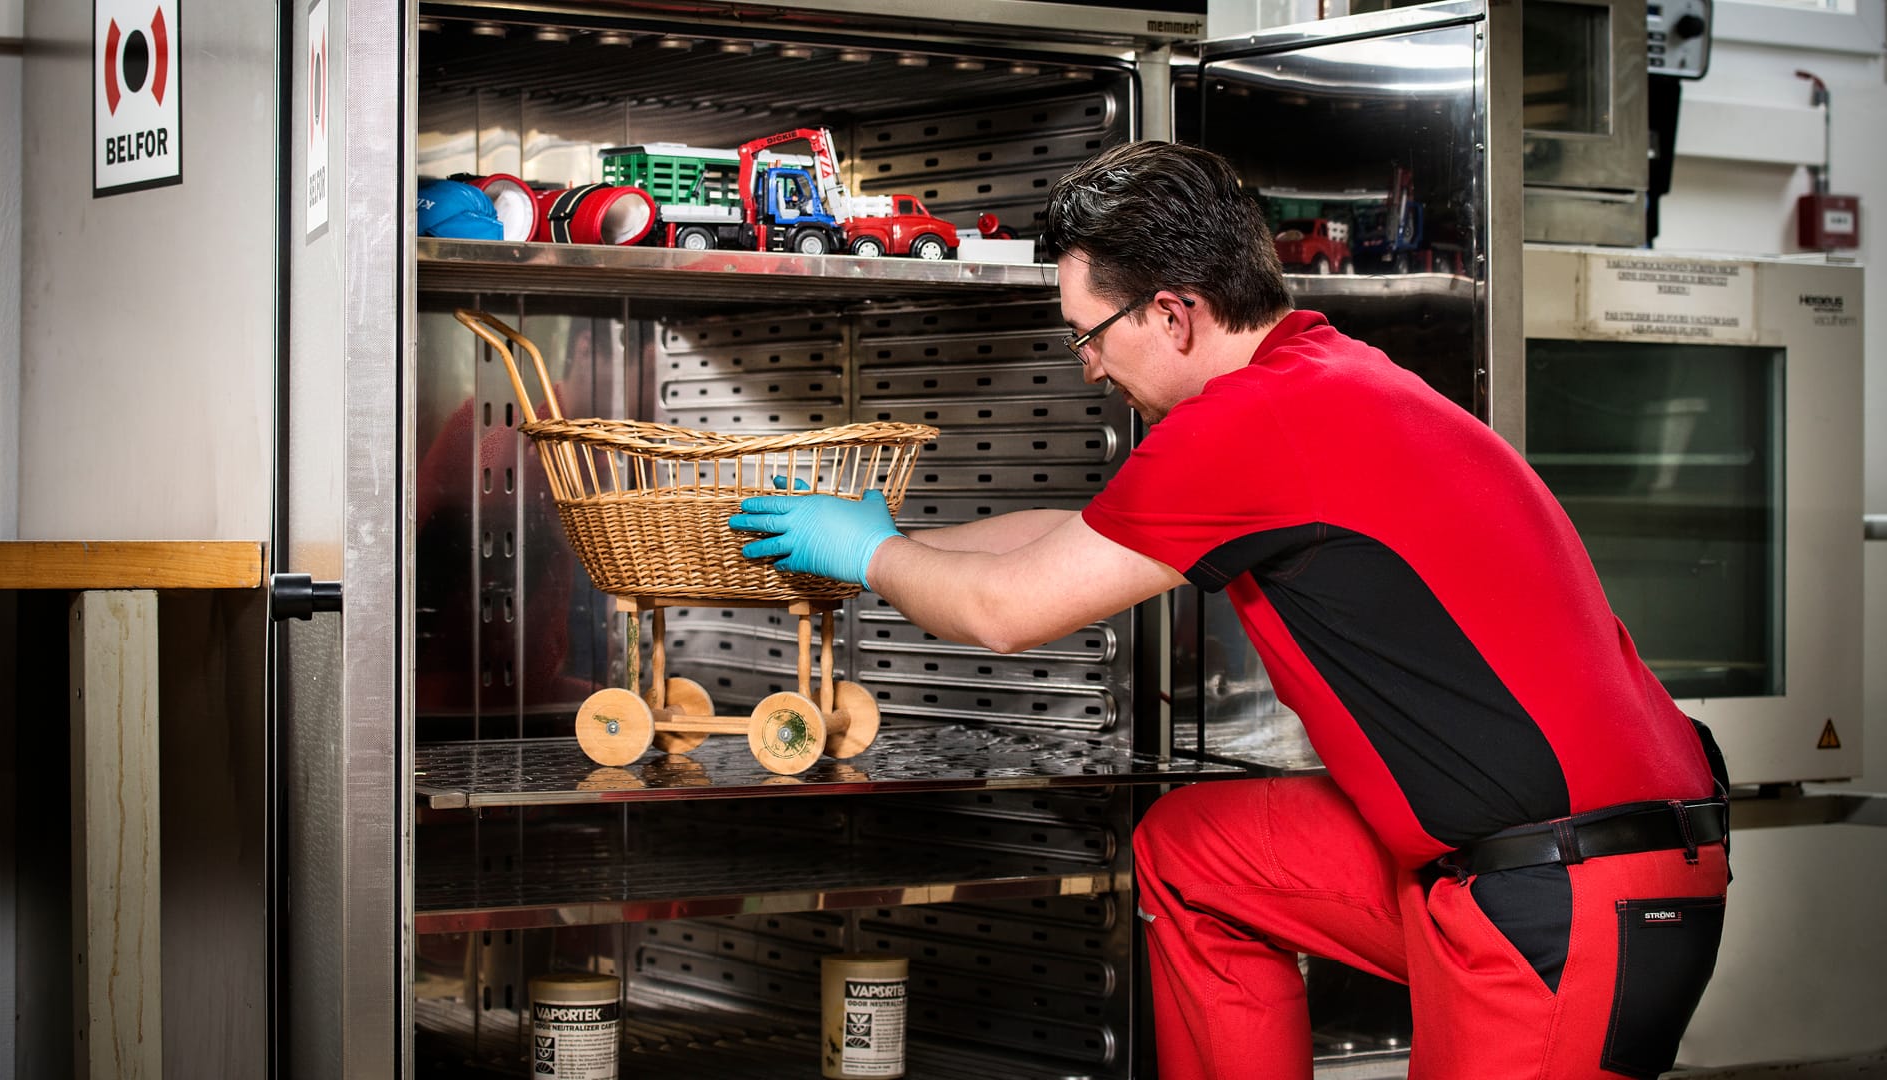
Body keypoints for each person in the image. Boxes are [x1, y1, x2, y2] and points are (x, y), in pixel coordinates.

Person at [727, 141, 1730, 1079]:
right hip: (1570, 858)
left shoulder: (1256, 423)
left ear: (1172, 314)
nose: (1088, 368)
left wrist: (873, 554)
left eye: (1090, 335)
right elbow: (1082, 541)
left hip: (1567, 901)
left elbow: (1005, 611)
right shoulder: (1313, 382)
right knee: (1198, 852)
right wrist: (890, 541)